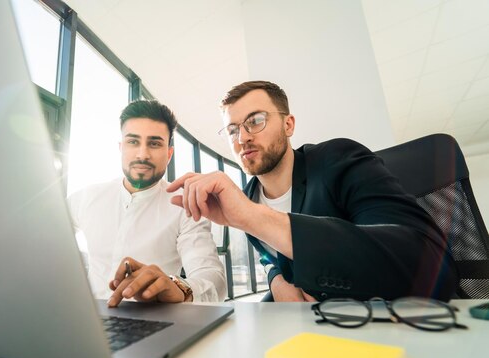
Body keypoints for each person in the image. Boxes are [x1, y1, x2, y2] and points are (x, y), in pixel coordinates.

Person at [167, 80, 458, 302]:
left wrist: (252, 217)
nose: (243, 137)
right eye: (232, 130)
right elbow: (269, 255)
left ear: (288, 124)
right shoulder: (249, 194)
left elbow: (430, 263)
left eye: (255, 121)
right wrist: (275, 279)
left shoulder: (338, 160)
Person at [68, 100, 226, 307]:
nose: (142, 154)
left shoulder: (183, 208)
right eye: (133, 142)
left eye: (154, 143)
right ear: (121, 147)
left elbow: (214, 281)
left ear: (169, 154)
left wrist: (179, 288)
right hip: (87, 319)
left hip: (156, 322)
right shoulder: (85, 198)